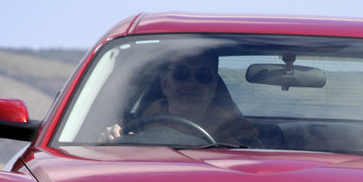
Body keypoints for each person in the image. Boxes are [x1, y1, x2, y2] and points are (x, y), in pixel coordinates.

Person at [101, 52, 258, 145]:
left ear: (213, 88)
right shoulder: (136, 126)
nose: (191, 84)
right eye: (181, 74)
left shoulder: (238, 133)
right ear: (165, 84)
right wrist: (109, 138)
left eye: (203, 76)